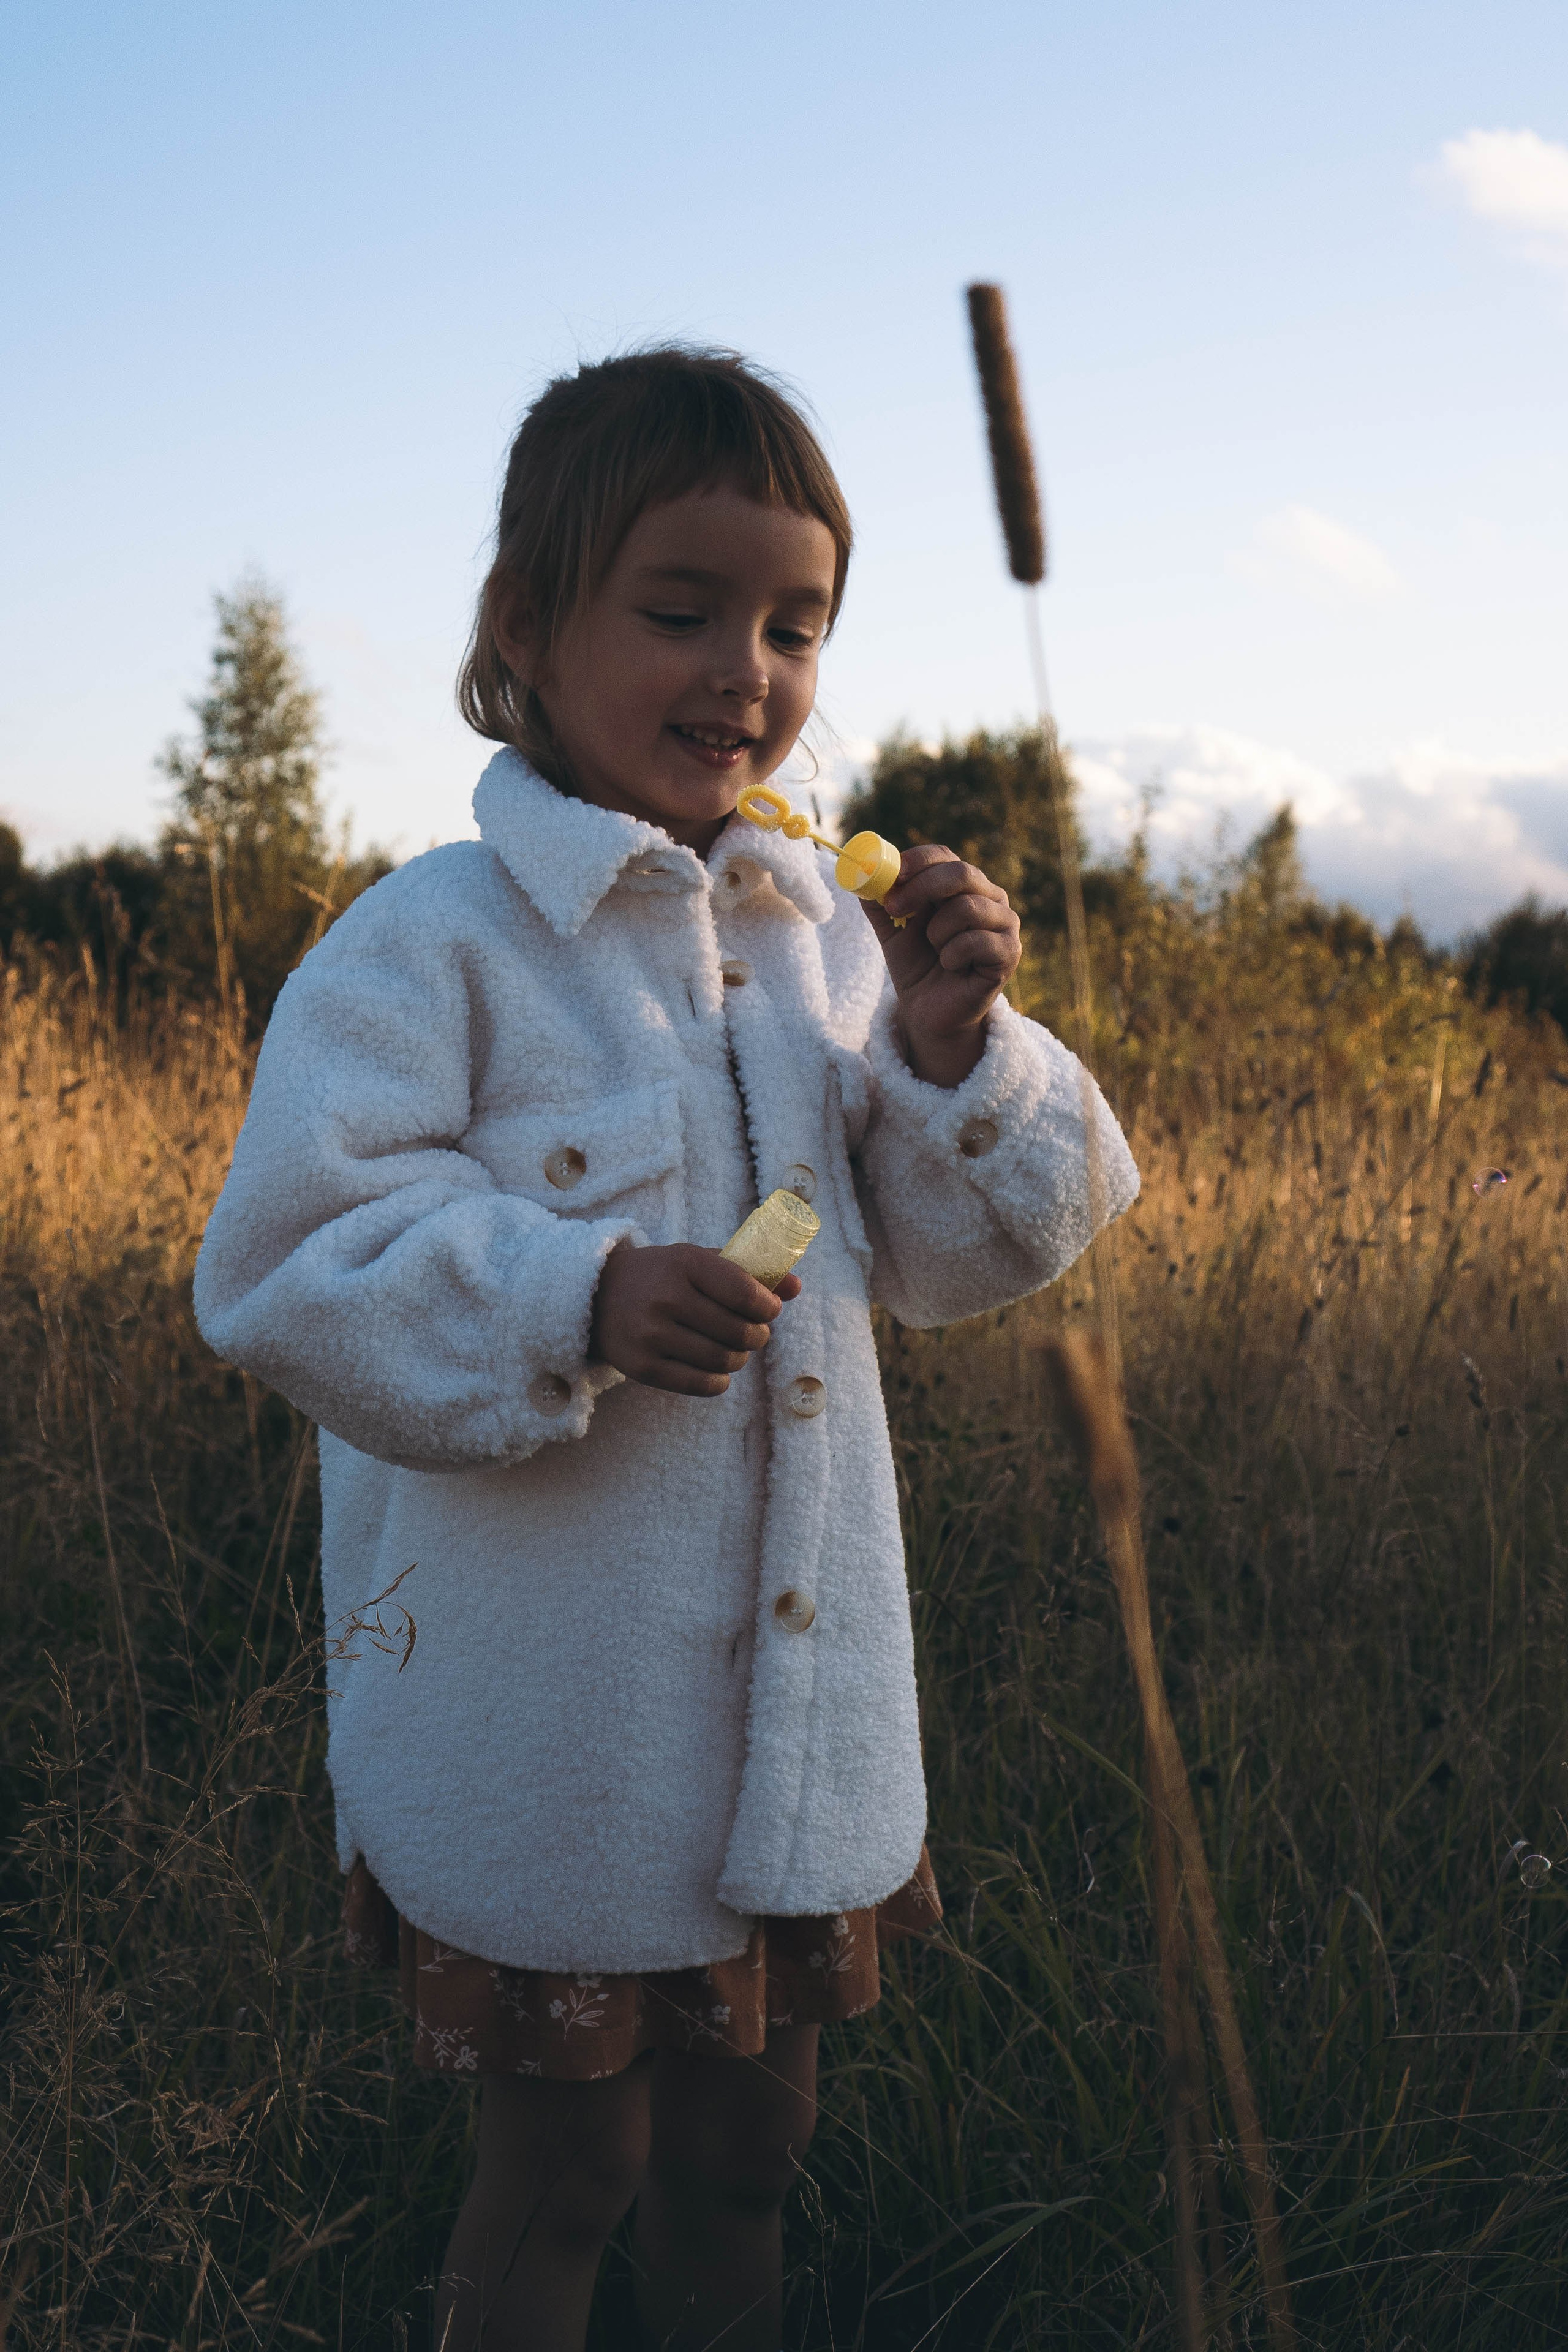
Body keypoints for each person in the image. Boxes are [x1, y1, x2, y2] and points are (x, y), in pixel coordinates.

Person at [194, 347, 1138, 2352]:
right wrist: (574, 1295)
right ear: (526, 630)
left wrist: (956, 1052)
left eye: (797, 623)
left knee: (751, 2144)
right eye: (683, 608)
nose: (750, 669)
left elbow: (969, 1251)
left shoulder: (819, 940)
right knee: (568, 2173)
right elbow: (287, 1261)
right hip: (558, 1745)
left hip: (793, 1735)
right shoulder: (433, 943)